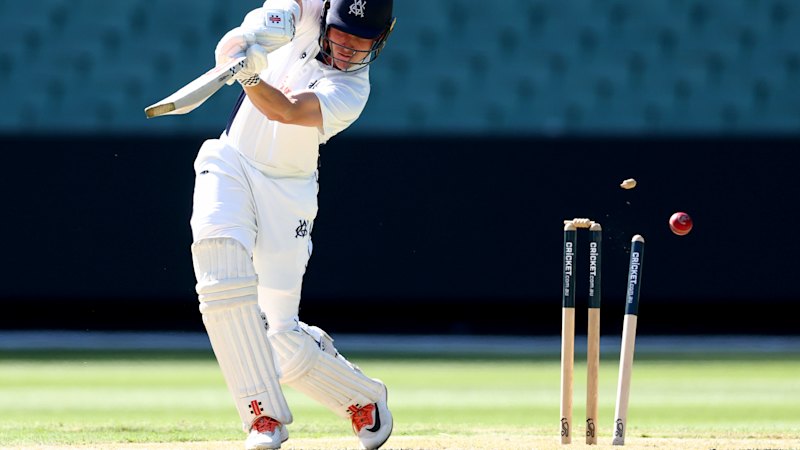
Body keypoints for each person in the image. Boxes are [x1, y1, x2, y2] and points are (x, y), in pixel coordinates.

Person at [188, 0, 396, 449]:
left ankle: (362, 397)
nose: (348, 47)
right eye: (342, 33)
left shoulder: (352, 92)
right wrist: (243, 43)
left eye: (362, 41)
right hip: (233, 161)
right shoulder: (307, 8)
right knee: (218, 267)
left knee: (279, 333)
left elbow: (282, 110)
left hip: (288, 193)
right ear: (327, 18)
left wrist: (248, 76)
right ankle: (261, 417)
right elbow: (259, 25)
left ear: (381, 39)